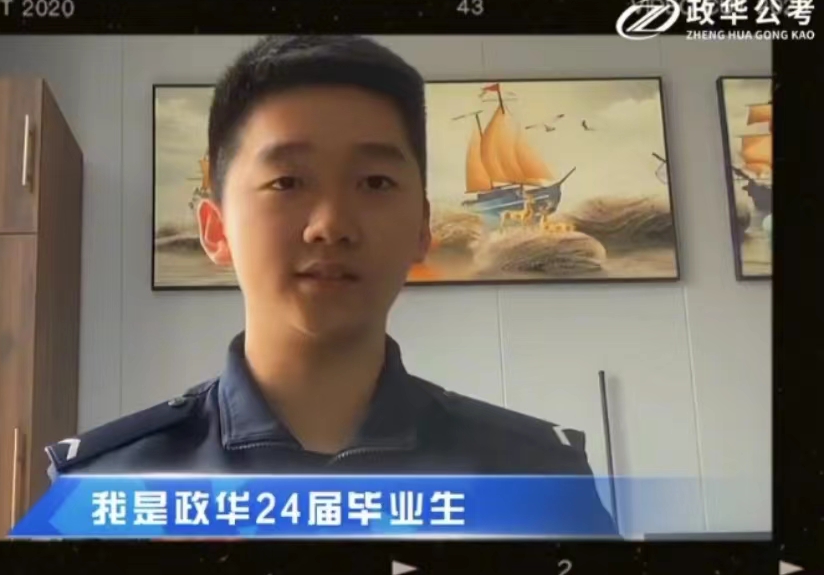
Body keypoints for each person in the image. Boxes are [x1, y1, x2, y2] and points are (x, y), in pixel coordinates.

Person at [45, 35, 617, 535]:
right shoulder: (103, 490)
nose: (331, 225)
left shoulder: (537, 480)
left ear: (423, 229)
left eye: (375, 182)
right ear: (217, 230)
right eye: (287, 181)